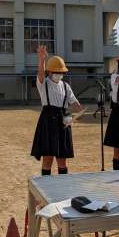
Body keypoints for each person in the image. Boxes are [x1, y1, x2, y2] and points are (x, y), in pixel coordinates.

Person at [31, 45, 83, 175]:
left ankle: (62, 184)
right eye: (56, 72)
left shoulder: (66, 86)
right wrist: (42, 59)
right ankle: (45, 185)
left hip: (63, 121)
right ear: (49, 72)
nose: (59, 74)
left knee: (62, 160)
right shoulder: (44, 84)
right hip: (48, 121)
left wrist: (78, 112)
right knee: (47, 159)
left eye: (61, 72)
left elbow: (75, 103)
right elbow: (40, 75)